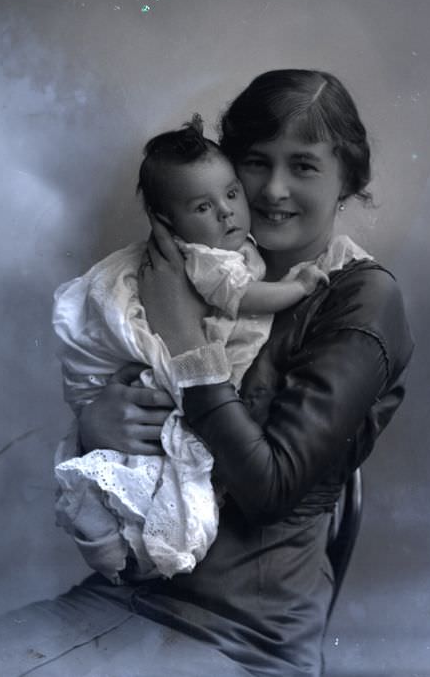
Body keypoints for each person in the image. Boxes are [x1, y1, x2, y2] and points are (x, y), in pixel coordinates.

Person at [0, 69, 413, 677]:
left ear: (349, 180)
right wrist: (95, 425)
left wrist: (184, 340)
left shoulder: (361, 300)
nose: (273, 190)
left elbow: (269, 488)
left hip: (238, 635)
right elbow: (134, 412)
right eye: (256, 163)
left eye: (304, 166)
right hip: (120, 599)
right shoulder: (185, 273)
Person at [53, 115, 328, 583]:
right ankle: (129, 545)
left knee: (143, 473)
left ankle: (118, 543)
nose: (226, 213)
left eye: (231, 194)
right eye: (204, 206)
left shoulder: (220, 254)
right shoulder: (205, 260)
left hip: (237, 600)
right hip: (153, 385)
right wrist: (298, 286)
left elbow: (270, 483)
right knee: (154, 463)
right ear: (167, 222)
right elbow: (243, 296)